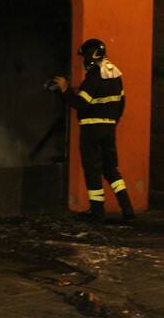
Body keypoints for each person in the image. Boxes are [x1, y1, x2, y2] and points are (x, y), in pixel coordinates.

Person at [54, 39, 134, 222]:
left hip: (91, 129)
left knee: (92, 169)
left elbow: (80, 103)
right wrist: (112, 121)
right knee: (111, 169)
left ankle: (97, 211)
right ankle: (127, 208)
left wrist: (65, 90)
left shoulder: (94, 75)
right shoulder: (115, 74)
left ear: (90, 56)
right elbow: (121, 104)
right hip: (109, 128)